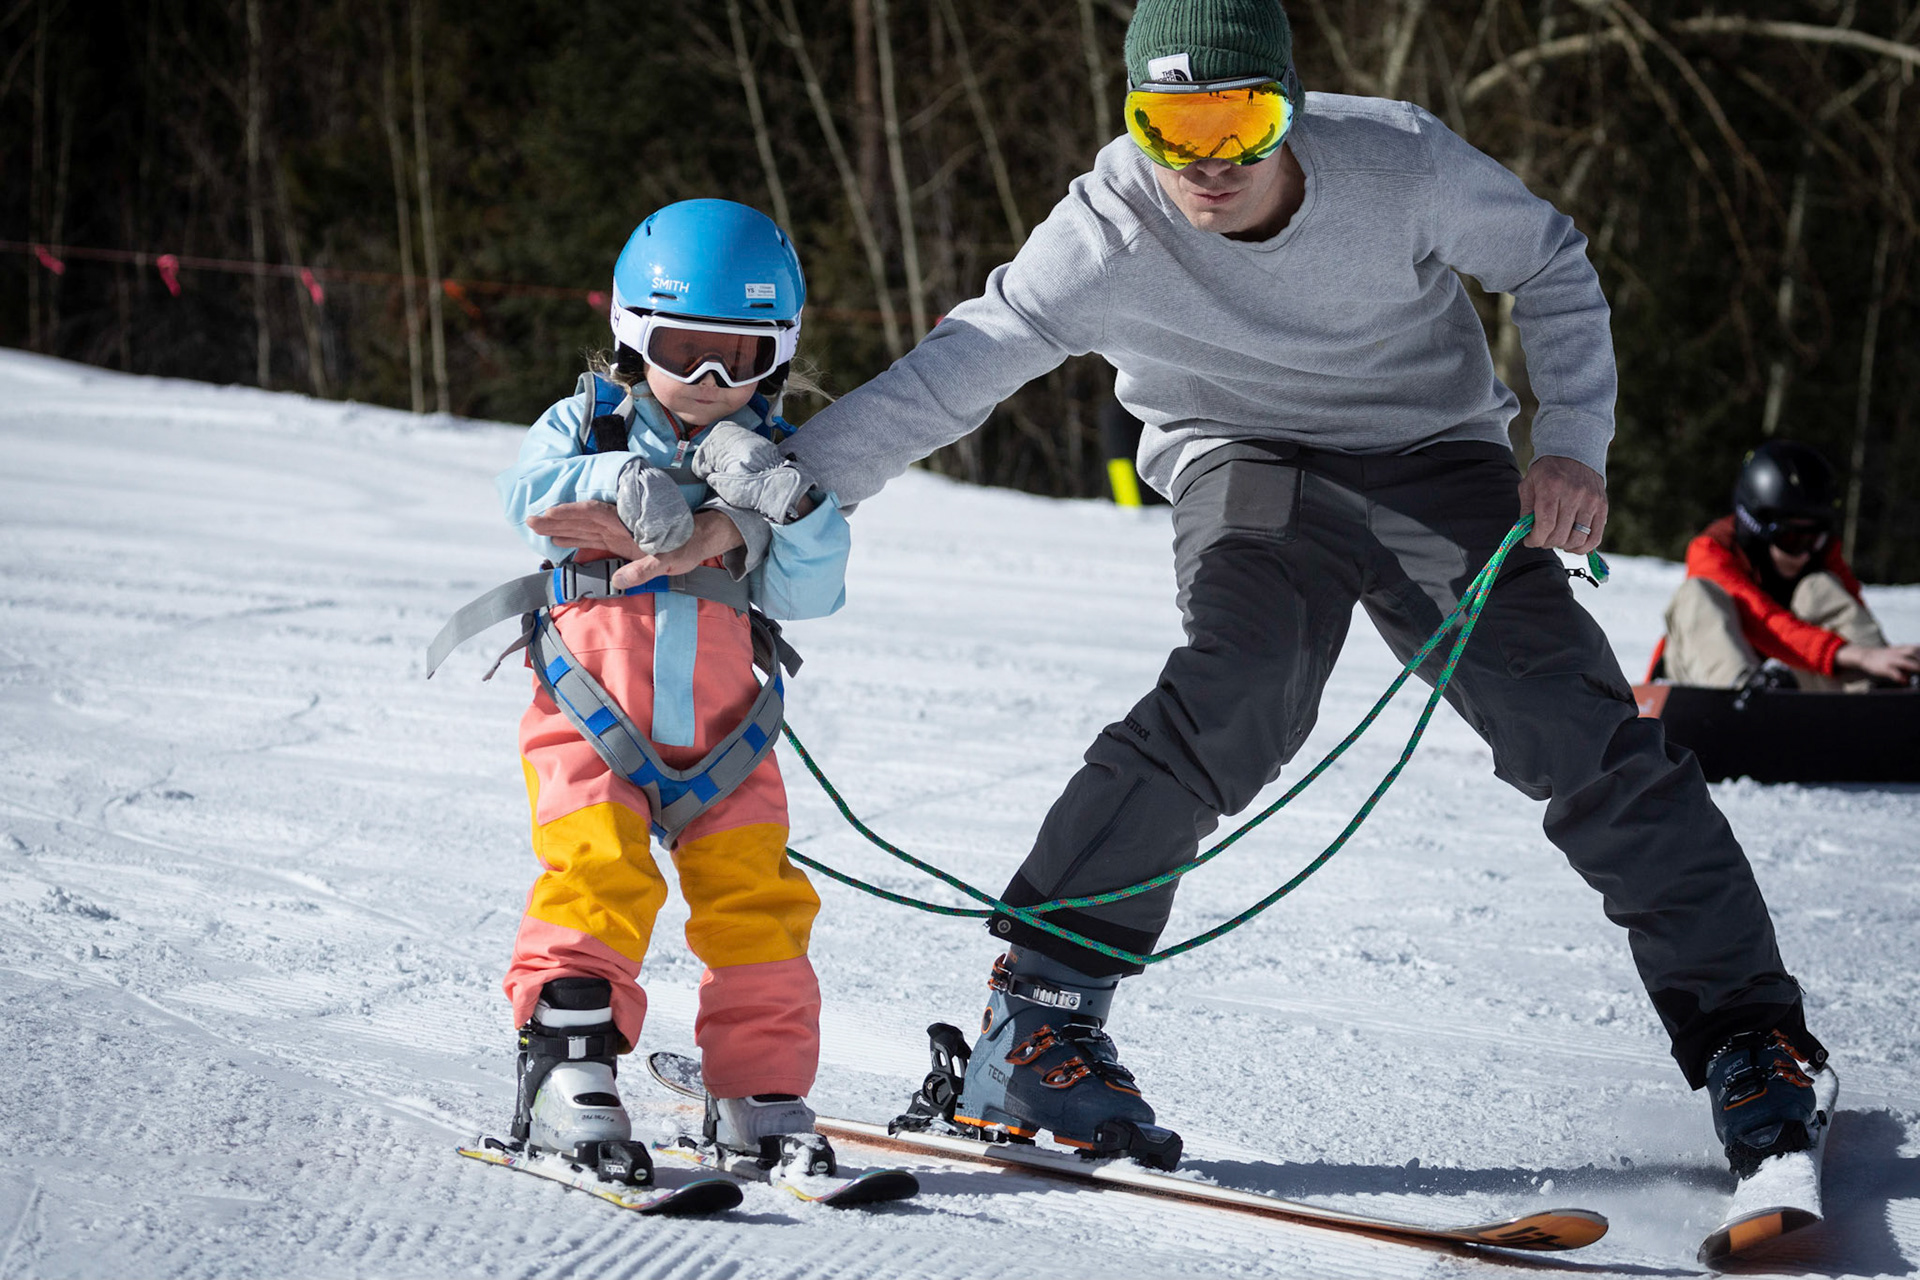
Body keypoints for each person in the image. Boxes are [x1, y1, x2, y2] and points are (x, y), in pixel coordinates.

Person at [685, 0, 1828, 1178]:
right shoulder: (1110, 225)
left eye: (1242, 119)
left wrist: (1572, 439)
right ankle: (1041, 1018)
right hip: (1240, 455)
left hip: (1432, 451)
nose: (1209, 160)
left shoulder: (1399, 162)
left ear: (1290, 106)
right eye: (1172, 125)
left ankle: (1753, 1036)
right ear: (1136, 120)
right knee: (1244, 684)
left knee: (1571, 718)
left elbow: (1551, 259)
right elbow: (960, 366)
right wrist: (767, 503)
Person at [488, 200, 851, 1180]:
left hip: (727, 739)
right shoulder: (589, 421)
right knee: (597, 880)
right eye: (686, 351)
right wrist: (616, 475)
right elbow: (526, 494)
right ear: (632, 333)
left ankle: (759, 1088)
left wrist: (795, 503)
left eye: (740, 356)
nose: (711, 382)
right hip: (592, 716)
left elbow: (811, 592)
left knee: (761, 904)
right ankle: (567, 1070)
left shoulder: (769, 452)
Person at [1659, 440, 1919, 691]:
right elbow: (1761, 621)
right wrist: (1848, 654)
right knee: (1697, 594)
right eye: (1792, 539)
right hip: (1700, 680)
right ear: (1758, 530)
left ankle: (1883, 689)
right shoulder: (1713, 551)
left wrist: (1873, 657)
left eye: (1816, 536)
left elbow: (1852, 612)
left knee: (1820, 587)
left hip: (1786, 689)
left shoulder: (1821, 555)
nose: (1806, 552)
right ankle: (1742, 697)